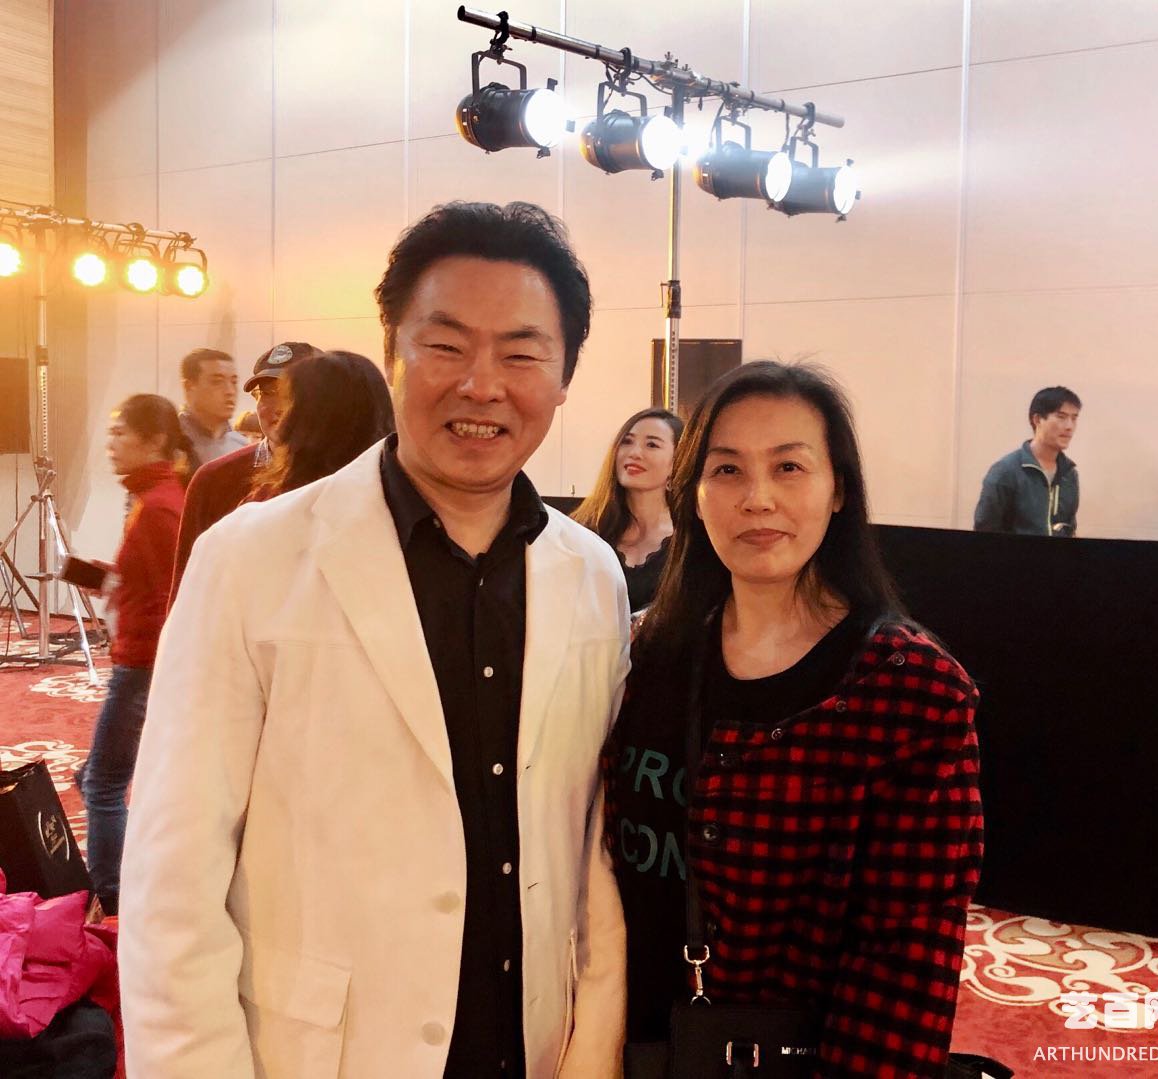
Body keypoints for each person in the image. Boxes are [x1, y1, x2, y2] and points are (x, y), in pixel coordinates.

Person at [120, 202, 629, 1079]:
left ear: (563, 378)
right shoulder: (251, 559)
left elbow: (587, 846)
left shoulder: (591, 575)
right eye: (446, 345)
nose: (481, 385)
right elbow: (173, 875)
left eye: (520, 354)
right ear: (392, 350)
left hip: (528, 1045)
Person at [605, 361, 983, 1077]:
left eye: (788, 467)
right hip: (629, 1043)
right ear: (692, 495)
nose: (758, 499)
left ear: (837, 488)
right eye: (726, 470)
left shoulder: (909, 690)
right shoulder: (644, 652)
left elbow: (906, 962)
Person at [80, 394, 186, 916]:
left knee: (102, 785)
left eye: (121, 433)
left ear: (155, 440)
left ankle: (114, 899)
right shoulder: (152, 498)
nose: (111, 443)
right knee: (94, 775)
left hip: (142, 666)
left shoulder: (160, 506)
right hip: (141, 661)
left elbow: (174, 595)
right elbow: (139, 581)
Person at [168, 341, 319, 604]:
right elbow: (187, 588)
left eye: (291, 393)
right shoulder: (215, 479)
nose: (277, 406)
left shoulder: (345, 475)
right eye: (267, 393)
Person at [242, 350, 395, 503]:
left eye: (293, 397)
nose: (283, 409)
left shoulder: (393, 491)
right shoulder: (241, 479)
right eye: (269, 392)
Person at [572, 408, 683, 612]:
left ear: (677, 462)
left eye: (652, 445)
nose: (634, 453)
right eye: (627, 441)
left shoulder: (690, 540)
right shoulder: (583, 531)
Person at [974, 386, 1082, 536]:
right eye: (1061, 417)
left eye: (1074, 418)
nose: (1069, 426)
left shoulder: (1069, 474)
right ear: (1037, 419)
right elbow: (985, 530)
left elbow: (1069, 527)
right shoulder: (1005, 472)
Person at [177, 347, 245, 476]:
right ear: (189, 386)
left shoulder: (242, 447)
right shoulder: (168, 442)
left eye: (234, 382)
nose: (230, 391)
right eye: (217, 382)